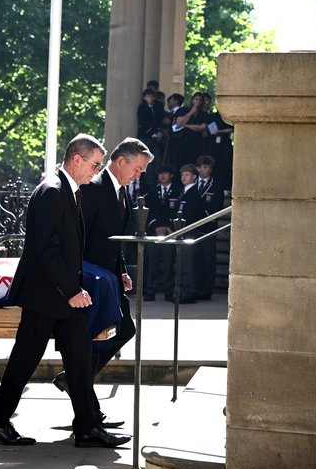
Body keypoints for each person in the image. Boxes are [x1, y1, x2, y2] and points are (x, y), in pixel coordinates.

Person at [0, 133, 130, 449]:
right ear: (76, 159)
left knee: (80, 357)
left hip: (62, 298)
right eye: (94, 164)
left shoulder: (69, 190)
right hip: (46, 297)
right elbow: (45, 251)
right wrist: (71, 290)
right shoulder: (53, 191)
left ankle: (87, 427)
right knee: (25, 360)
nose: (97, 171)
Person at [51, 137, 153, 428]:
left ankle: (74, 380)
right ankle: (85, 405)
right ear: (120, 161)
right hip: (88, 282)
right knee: (87, 343)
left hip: (109, 279)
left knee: (125, 329)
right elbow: (77, 238)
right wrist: (75, 282)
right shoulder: (93, 187)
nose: (139, 176)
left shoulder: (122, 192)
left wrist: (121, 270)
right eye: (137, 169)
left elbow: (112, 240)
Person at [143, 163, 180, 301]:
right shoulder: (152, 192)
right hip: (154, 233)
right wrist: (155, 226)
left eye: (166, 173)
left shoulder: (178, 191)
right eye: (160, 174)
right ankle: (150, 291)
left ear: (171, 175)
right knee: (152, 263)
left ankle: (168, 292)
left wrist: (169, 225)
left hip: (170, 233)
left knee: (169, 264)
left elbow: (178, 211)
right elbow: (148, 211)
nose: (163, 176)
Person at [193, 155, 224, 301]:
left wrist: (204, 215)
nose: (207, 170)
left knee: (208, 260)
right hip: (193, 227)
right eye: (205, 167)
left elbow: (217, 206)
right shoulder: (192, 182)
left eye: (210, 167)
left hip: (209, 227)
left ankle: (206, 291)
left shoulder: (216, 185)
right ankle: (196, 288)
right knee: (196, 260)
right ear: (198, 168)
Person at [173, 163, 204, 304]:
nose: (184, 177)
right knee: (181, 264)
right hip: (180, 232)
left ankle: (188, 293)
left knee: (188, 265)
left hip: (188, 233)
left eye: (187, 175)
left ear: (194, 177)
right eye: (182, 175)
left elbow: (191, 215)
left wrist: (181, 228)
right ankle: (182, 292)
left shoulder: (194, 193)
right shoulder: (183, 192)